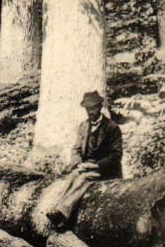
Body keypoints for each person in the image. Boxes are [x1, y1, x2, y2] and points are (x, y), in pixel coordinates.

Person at [46, 91, 123, 230]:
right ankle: (57, 207)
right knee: (72, 177)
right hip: (86, 167)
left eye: (93, 108)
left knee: (83, 179)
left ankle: (63, 213)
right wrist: (78, 164)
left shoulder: (112, 127)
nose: (91, 112)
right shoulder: (83, 126)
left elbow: (116, 155)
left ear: (100, 107)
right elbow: (76, 149)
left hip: (105, 170)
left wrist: (95, 166)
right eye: (88, 109)